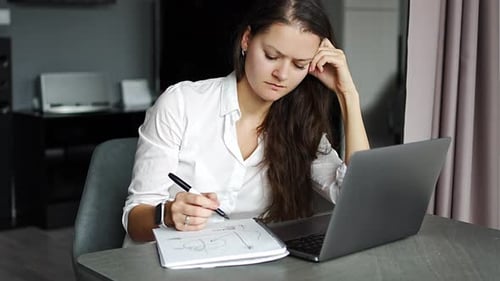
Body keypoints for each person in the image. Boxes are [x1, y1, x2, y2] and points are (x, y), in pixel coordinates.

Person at [122, 0, 370, 246]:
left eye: (299, 65)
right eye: (272, 56)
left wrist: (347, 95)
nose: (282, 75)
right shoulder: (182, 104)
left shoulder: (301, 126)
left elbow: (356, 200)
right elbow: (135, 221)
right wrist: (166, 214)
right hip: (167, 263)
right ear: (247, 40)